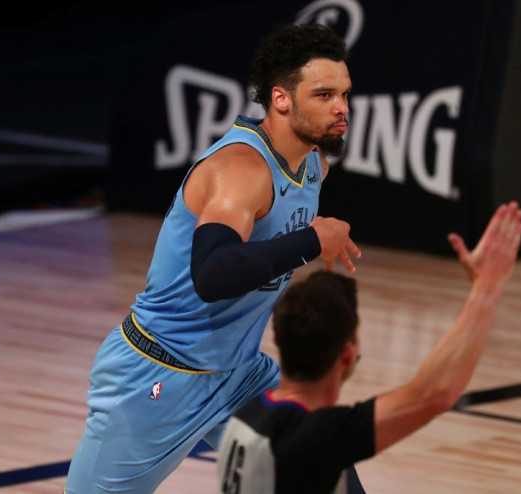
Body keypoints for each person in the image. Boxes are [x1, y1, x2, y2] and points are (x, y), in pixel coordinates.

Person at [65, 23, 361, 493]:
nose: (341, 107)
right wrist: (310, 240)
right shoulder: (241, 169)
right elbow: (213, 274)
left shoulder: (312, 164)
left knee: (326, 473)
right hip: (158, 374)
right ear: (281, 99)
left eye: (345, 93)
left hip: (240, 374)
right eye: (324, 95)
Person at [216, 201, 521, 493]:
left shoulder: (246, 415)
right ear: (348, 356)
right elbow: (433, 394)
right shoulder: (313, 439)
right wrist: (486, 288)